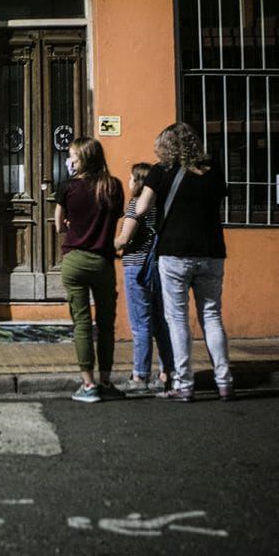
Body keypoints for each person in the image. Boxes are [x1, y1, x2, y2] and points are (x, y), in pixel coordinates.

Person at [132, 123, 233, 402]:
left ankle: (184, 384)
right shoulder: (213, 170)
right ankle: (224, 382)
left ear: (166, 146)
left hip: (175, 252)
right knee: (211, 316)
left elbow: (141, 209)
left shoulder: (160, 171)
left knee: (177, 319)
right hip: (211, 251)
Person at [54, 137, 126, 403]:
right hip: (103, 262)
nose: (70, 160)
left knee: (82, 324)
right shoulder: (113, 186)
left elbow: (59, 225)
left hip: (75, 261)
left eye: (72, 155)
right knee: (106, 325)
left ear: (82, 158)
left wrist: (74, 223)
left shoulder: (68, 187)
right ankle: (106, 382)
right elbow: (114, 218)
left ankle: (88, 385)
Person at [113, 163, 174, 393]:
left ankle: (140, 376)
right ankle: (167, 372)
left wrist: (101, 245)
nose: (128, 182)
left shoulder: (136, 205)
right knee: (161, 323)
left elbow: (124, 239)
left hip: (136, 268)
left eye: (131, 178)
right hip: (158, 267)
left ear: (138, 182)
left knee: (141, 324)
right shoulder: (160, 207)